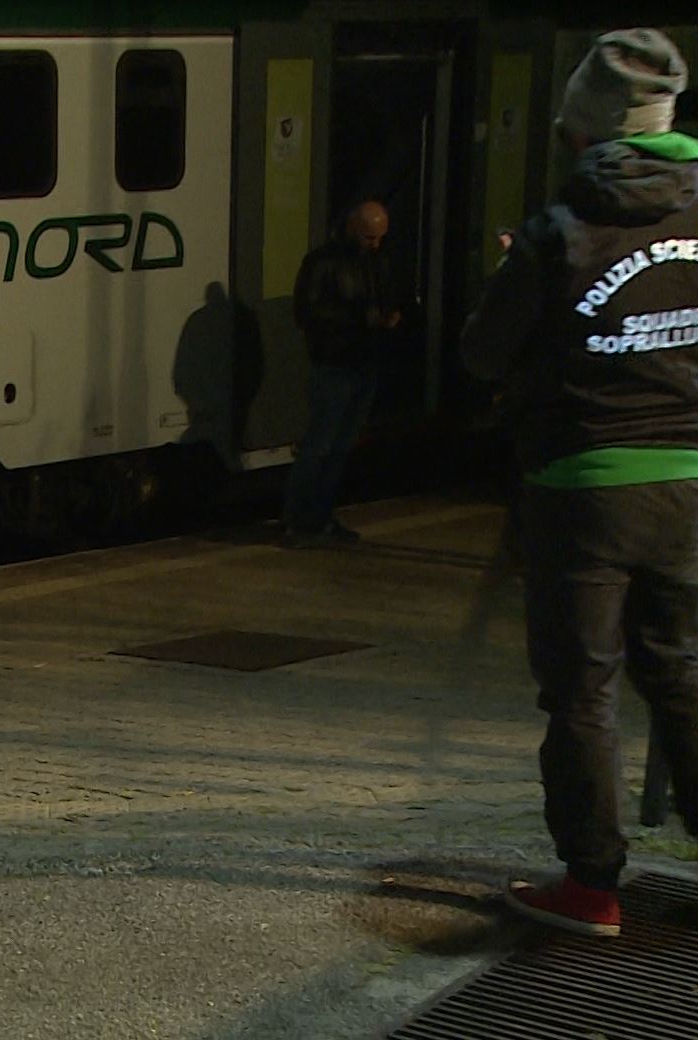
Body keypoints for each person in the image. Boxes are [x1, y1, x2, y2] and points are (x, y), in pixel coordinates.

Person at [460, 28, 697, 937]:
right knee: (681, 672)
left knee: (583, 690)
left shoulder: (560, 229)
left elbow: (484, 353)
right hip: (689, 478)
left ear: (582, 129)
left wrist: (519, 275)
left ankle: (593, 888)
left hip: (583, 484)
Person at [280, 200, 405, 547]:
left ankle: (318, 517)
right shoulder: (323, 262)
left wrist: (387, 315)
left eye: (379, 237)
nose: (375, 244)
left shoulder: (373, 260)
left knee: (339, 447)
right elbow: (307, 313)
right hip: (334, 363)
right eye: (369, 237)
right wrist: (367, 319)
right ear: (352, 227)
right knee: (321, 446)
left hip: (362, 361)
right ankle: (298, 518)